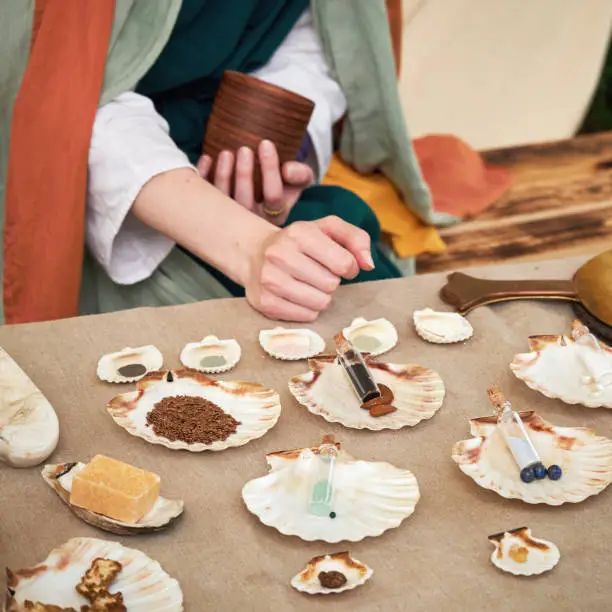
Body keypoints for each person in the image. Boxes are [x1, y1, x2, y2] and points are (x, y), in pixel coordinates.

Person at [1, 0, 441, 325]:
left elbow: (319, 25)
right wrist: (249, 247)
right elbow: (57, 100)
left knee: (365, 290)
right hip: (105, 185)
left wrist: (277, 145)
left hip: (221, 153)